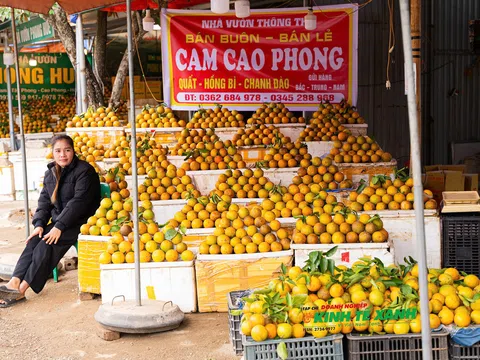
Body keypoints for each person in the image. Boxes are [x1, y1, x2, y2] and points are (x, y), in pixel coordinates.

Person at [0, 134, 100, 307]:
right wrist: (39, 224)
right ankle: (14, 283)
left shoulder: (85, 171)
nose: (63, 155)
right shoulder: (51, 172)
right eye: (58, 151)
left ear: (73, 151)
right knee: (33, 242)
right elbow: (44, 202)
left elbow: (79, 203)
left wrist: (59, 226)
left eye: (67, 150)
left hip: (83, 222)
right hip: (62, 221)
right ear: (52, 153)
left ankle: (22, 290)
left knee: (46, 245)